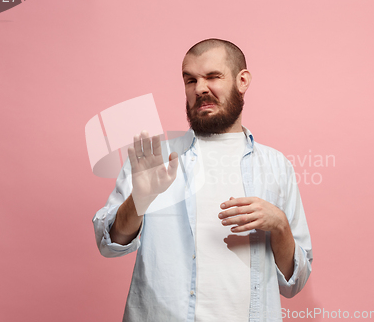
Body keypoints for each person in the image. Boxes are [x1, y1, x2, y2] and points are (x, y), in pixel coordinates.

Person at [92, 39, 313, 322]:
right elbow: (108, 243)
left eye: (212, 77)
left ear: (242, 80)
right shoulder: (155, 158)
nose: (200, 89)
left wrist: (280, 225)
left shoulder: (275, 165)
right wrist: (139, 200)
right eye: (190, 80)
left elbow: (295, 281)